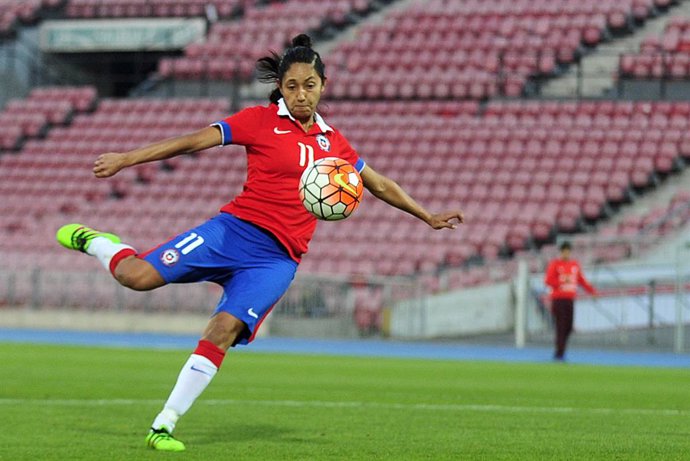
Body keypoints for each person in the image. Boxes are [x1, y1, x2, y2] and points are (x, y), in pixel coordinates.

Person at [55, 34, 464, 452]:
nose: (301, 94)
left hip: (277, 260)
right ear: (280, 87)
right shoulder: (258, 120)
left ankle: (164, 424)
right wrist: (126, 158)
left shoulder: (333, 143)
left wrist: (426, 215)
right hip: (232, 231)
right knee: (135, 276)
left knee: (224, 329)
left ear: (323, 85)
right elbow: (193, 141)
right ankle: (100, 243)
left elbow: (377, 183)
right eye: (292, 86)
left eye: (309, 85)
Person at [544, 241, 597, 361]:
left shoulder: (574, 265)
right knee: (561, 326)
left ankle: (560, 349)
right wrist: (561, 283)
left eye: (568, 251)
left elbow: (581, 280)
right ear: (561, 252)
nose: (566, 254)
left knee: (568, 327)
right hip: (558, 299)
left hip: (570, 299)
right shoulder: (555, 264)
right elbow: (548, 280)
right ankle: (559, 352)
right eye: (564, 251)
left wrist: (592, 291)